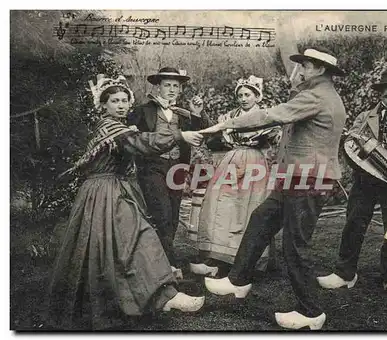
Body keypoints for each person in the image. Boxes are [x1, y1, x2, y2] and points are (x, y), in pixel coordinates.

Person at [199, 48, 347, 330]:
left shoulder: (316, 95)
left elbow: (270, 115)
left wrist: (225, 125)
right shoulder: (318, 92)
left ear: (319, 69)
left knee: (295, 246)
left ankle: (311, 312)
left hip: (307, 180)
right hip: (297, 178)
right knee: (261, 219)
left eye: (304, 66)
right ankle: (238, 281)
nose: (299, 71)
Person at [48, 75, 205, 330]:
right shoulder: (110, 128)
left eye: (124, 100)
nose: (121, 105)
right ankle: (159, 297)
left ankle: (159, 296)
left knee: (129, 240)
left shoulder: (118, 126)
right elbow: (141, 142)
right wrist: (179, 136)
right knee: (133, 237)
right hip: (102, 192)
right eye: (114, 101)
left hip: (115, 188)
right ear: (104, 105)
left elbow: (137, 141)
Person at [317, 69, 387, 297]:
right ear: (379, 92)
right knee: (354, 223)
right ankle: (345, 273)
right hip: (365, 180)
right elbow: (351, 141)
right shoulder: (365, 116)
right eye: (386, 88)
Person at [190, 75, 280, 277]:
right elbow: (214, 135)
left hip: (254, 163)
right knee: (220, 205)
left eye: (248, 95)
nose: (243, 98)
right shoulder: (230, 116)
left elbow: (277, 139)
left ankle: (249, 259)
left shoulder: (266, 117)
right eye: (240, 95)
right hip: (230, 161)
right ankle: (218, 256)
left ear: (257, 97)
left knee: (248, 207)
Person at [127, 67, 214, 276]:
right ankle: (169, 264)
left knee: (174, 213)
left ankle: (164, 258)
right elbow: (130, 136)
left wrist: (197, 113)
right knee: (162, 213)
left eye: (176, 86)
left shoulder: (183, 112)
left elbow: (205, 134)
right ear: (158, 87)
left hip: (177, 166)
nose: (172, 89)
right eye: (167, 85)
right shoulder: (144, 110)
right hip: (152, 166)